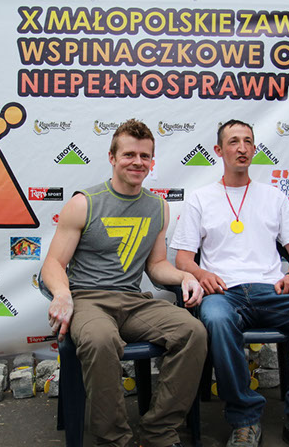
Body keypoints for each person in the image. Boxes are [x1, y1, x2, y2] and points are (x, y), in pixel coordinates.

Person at [170, 120, 289, 447]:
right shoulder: (200, 199)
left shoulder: (274, 197)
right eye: (233, 141)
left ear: (254, 149)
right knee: (216, 318)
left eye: (248, 142)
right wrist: (201, 273)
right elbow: (183, 259)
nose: (241, 148)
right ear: (219, 150)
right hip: (224, 294)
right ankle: (245, 418)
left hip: (273, 291)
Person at [42, 119, 207, 447]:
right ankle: (114, 439)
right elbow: (53, 263)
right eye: (129, 154)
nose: (137, 162)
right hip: (88, 300)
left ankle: (159, 430)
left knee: (193, 332)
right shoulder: (84, 203)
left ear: (152, 161)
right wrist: (61, 293)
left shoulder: (158, 207)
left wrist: (186, 275)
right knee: (100, 340)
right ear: (112, 157)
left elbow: (156, 266)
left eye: (145, 156)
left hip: (133, 301)